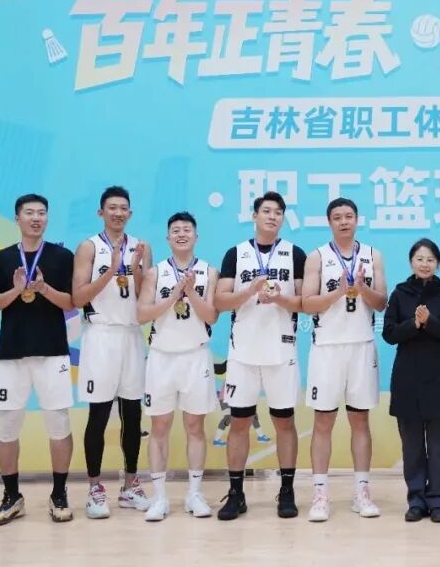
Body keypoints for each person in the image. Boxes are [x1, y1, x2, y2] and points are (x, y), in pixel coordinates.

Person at [0, 194, 76, 525]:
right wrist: (16, 290)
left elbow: (71, 303)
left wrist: (44, 289)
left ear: (47, 219)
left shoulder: (62, 257)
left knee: (59, 423)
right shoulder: (2, 258)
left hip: (53, 352)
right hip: (12, 353)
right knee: (7, 425)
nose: (36, 218)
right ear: (17, 218)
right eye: (29, 212)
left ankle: (59, 494)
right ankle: (12, 496)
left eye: (42, 213)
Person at [213, 192, 306, 520]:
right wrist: (250, 290)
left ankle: (287, 491)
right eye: (266, 211)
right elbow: (220, 301)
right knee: (239, 423)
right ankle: (236, 494)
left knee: (285, 422)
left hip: (281, 351)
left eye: (278, 212)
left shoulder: (294, 253)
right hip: (243, 352)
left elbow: (304, 303)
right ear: (254, 215)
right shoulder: (236, 254)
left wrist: (279, 299)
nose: (272, 216)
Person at [301, 198, 388, 522]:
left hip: (361, 346)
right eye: (337, 217)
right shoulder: (317, 257)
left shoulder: (373, 255)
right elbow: (307, 304)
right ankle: (320, 494)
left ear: (357, 219)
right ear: (329, 222)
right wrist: (339, 292)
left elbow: (382, 302)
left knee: (360, 421)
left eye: (349, 216)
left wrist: (362, 288)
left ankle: (361, 492)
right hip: (327, 347)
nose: (343, 221)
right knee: (323, 422)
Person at [72, 186, 152, 518]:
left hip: (131, 335)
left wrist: (135, 269)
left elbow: (146, 296)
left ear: (130, 213)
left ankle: (131, 484)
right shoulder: (89, 247)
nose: (118, 213)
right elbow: (78, 297)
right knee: (99, 415)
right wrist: (111, 269)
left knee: (133, 416)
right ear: (101, 212)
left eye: (123, 208)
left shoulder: (142, 246)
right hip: (101, 336)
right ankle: (95, 489)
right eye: (112, 208)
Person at [135, 212, 219, 521]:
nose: (181, 234)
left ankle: (194, 494)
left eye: (187, 229)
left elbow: (211, 316)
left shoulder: (209, 271)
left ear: (196, 237)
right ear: (168, 238)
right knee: (159, 427)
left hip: (195, 357)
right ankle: (160, 498)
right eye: (176, 230)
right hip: (161, 357)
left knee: (195, 427)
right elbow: (142, 315)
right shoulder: (155, 273)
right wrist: (173, 295)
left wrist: (191, 291)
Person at [382, 238, 440, 524]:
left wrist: (430, 322)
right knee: (412, 447)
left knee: (439, 448)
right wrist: (414, 324)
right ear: (411, 262)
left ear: (438, 263)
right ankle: (416, 500)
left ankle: (437, 501)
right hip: (408, 377)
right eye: (419, 259)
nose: (425, 264)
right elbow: (389, 334)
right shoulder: (399, 294)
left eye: (430, 259)